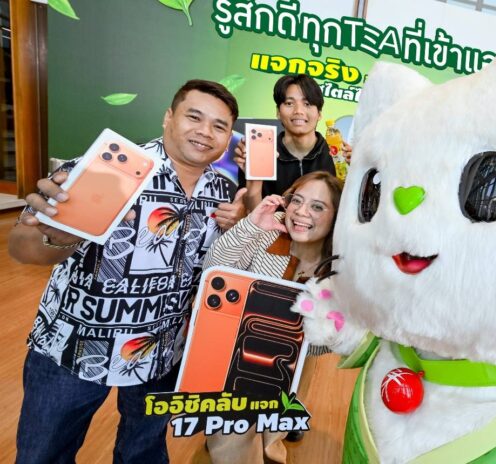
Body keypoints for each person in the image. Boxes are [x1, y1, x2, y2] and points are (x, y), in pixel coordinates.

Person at [8, 79, 247, 463]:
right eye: (194, 117)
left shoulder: (224, 194)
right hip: (74, 349)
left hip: (160, 353)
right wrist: (55, 236)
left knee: (143, 452)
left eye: (219, 126)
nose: (206, 131)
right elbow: (21, 246)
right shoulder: (106, 169)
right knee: (44, 455)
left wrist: (242, 222)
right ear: (168, 117)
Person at [200, 171, 343, 464]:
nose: (301, 212)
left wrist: (300, 330)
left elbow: (326, 346)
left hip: (295, 361)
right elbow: (215, 271)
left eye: (317, 206)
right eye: (297, 201)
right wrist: (250, 225)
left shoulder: (340, 267)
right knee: (232, 437)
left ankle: (271, 448)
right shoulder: (268, 228)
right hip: (240, 356)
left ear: (336, 218)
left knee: (275, 424)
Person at [235, 74, 351, 211]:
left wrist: (358, 172)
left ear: (319, 113)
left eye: (307, 104)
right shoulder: (260, 152)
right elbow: (249, 215)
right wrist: (253, 179)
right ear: (278, 112)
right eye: (289, 103)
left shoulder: (337, 156)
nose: (298, 111)